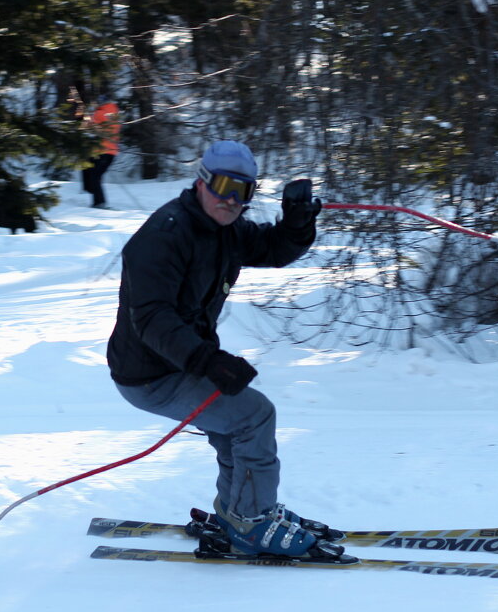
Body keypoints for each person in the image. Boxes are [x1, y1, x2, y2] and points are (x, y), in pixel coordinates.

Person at [105, 140, 338, 559]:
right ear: (202, 181)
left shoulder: (225, 230)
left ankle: (239, 513)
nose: (232, 200)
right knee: (254, 415)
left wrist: (297, 222)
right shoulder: (164, 236)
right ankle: (251, 522)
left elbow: (273, 248)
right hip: (148, 372)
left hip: (179, 361)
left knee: (236, 425)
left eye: (243, 191)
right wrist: (209, 361)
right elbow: (152, 318)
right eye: (225, 186)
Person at [82, 96, 120, 209]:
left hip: (100, 151)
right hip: (111, 152)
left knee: (93, 175)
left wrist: (88, 121)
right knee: (94, 175)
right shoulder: (114, 112)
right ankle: (97, 198)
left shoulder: (100, 113)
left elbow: (90, 129)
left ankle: (99, 202)